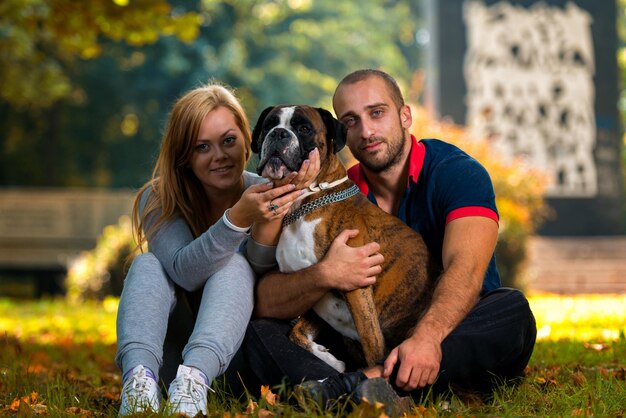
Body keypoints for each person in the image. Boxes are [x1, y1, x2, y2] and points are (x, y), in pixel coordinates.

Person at [231, 69, 537, 410]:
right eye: (351, 120)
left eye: (377, 112)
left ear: (405, 115)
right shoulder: (333, 193)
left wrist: (426, 339)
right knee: (259, 331)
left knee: (512, 309)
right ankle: (365, 392)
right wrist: (326, 274)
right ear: (339, 134)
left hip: (453, 336)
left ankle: (350, 388)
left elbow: (466, 270)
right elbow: (266, 299)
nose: (366, 130)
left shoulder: (457, 172)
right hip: (358, 341)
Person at [115, 82, 319, 416]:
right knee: (147, 265)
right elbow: (186, 272)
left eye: (228, 141)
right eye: (201, 147)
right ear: (184, 156)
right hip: (167, 365)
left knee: (236, 267)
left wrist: (277, 200)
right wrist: (238, 218)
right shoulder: (160, 200)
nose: (220, 156)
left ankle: (194, 383)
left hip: (233, 365)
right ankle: (138, 385)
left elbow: (262, 278)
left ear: (247, 139)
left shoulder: (268, 189)